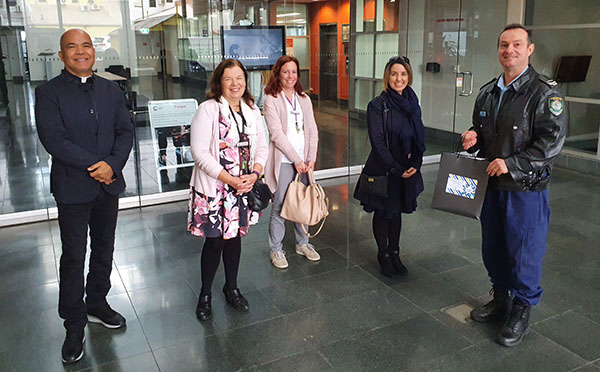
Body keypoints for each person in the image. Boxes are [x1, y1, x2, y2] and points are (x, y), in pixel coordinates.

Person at [461, 24, 566, 347]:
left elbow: (550, 143)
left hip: (525, 190)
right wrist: (472, 137)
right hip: (491, 187)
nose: (510, 51)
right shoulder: (489, 92)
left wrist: (512, 163)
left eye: (517, 45)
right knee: (492, 247)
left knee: (524, 251)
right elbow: (482, 129)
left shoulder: (544, 93)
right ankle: (501, 297)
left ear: (529, 49)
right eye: (504, 45)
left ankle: (521, 308)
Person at [35, 29, 133, 364]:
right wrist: (98, 164)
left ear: (95, 51)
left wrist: (114, 165)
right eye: (72, 47)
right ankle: (74, 322)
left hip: (108, 186)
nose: (80, 52)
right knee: (74, 257)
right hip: (73, 187)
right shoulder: (48, 93)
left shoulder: (111, 88)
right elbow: (54, 140)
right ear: (61, 56)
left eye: (86, 45)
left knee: (105, 247)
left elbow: (125, 131)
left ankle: (97, 303)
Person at [188, 59, 268, 321]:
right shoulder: (208, 109)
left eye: (239, 78)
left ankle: (231, 287)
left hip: (242, 187)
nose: (235, 84)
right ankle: (205, 294)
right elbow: (199, 153)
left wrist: (254, 174)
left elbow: (262, 148)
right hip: (216, 188)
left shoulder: (252, 109)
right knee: (214, 242)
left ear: (246, 81)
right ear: (219, 82)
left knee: (234, 239)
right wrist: (231, 180)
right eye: (228, 79)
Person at [353, 56, 425, 278]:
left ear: (409, 76)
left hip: (405, 166)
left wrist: (416, 162)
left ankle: (395, 252)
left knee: (397, 213)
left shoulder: (413, 103)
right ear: (387, 77)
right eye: (394, 74)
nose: (399, 78)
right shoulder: (378, 105)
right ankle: (383, 254)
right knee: (384, 212)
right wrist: (396, 168)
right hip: (385, 167)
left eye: (403, 74)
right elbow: (378, 142)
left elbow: (419, 136)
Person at [263, 56, 320, 269]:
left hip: (305, 161)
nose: (290, 76)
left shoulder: (304, 99)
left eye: (294, 72)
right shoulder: (272, 99)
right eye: (285, 72)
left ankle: (302, 244)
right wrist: (296, 159)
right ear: (278, 73)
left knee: (302, 203)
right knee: (279, 206)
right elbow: (276, 134)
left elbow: (312, 130)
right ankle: (276, 249)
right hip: (285, 161)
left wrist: (310, 158)